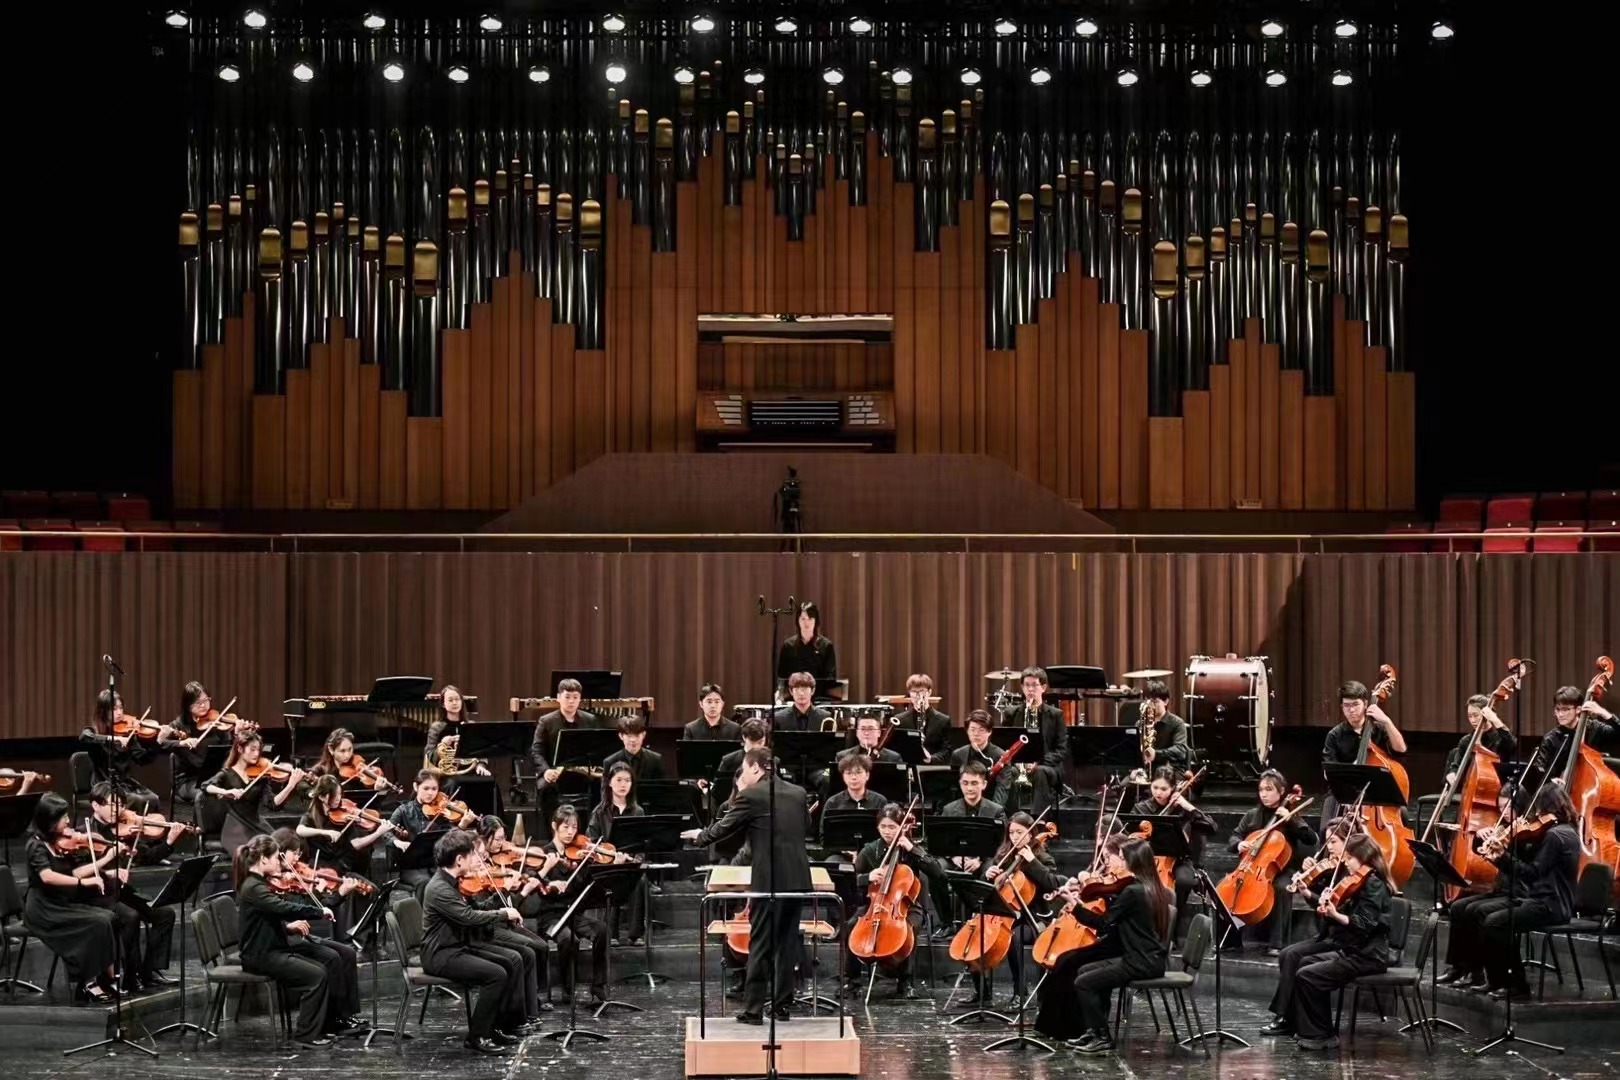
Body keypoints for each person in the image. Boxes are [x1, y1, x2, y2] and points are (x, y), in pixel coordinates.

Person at [682, 748, 813, 1025]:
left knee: (761, 942)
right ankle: (781, 1007)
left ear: (755, 767)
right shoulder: (799, 793)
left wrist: (700, 836)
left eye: (744, 767)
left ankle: (753, 1010)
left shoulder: (752, 795)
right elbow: (806, 826)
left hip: (770, 880)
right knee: (787, 942)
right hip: (798, 878)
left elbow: (725, 827)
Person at [1034, 835, 1171, 1053]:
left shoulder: (1133, 891)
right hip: (1143, 957)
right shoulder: (1143, 887)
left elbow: (1104, 924)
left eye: (1122, 858)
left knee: (1083, 982)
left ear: (1133, 861)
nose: (1119, 863)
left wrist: (1075, 905)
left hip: (1141, 961)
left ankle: (1103, 1037)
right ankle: (1093, 1031)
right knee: (1084, 970)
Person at [1441, 785, 1581, 997]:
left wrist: (1502, 857)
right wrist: (1496, 850)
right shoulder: (1564, 831)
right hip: (1545, 901)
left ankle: (1515, 984)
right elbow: (1530, 866)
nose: (1537, 815)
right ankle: (1495, 980)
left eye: (1539, 809)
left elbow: (1532, 873)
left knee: (1494, 922)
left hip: (1549, 904)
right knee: (1480, 915)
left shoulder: (1555, 836)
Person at [1274, 833, 1393, 1051]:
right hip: (1353, 950)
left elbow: (1364, 924)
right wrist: (1328, 905)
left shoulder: (1375, 884)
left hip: (1368, 956)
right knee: (1304, 964)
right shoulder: (1359, 881)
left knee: (1308, 975)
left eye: (1350, 858)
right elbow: (1346, 918)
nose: (1345, 862)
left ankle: (1323, 1035)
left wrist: (1335, 914)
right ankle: (1313, 1029)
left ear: (1363, 856)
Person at [234, 833, 354, 1048]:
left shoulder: (257, 884)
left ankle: (327, 1024)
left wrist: (289, 926)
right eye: (275, 858)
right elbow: (284, 908)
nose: (278, 863)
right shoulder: (254, 887)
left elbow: (269, 917)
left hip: (272, 948)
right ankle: (306, 1035)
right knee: (316, 975)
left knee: (325, 964)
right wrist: (319, 911)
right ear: (263, 859)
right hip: (260, 955)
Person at [420, 829, 530, 1054]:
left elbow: (477, 909)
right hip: (440, 954)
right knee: (496, 974)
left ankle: (494, 1027)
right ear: (459, 859)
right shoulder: (440, 888)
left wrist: (501, 897)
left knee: (509, 962)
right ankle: (477, 1036)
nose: (475, 859)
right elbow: (468, 918)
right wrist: (504, 914)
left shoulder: (453, 882)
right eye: (472, 855)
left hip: (457, 947)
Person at [24, 793, 127, 1002]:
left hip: (62, 902)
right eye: (63, 817)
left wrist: (104, 866)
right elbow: (47, 876)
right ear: (49, 820)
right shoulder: (36, 845)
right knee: (96, 923)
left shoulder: (57, 843)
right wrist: (83, 883)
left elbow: (74, 872)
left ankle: (109, 977)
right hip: (44, 909)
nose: (68, 821)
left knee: (109, 917)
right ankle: (89, 982)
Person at [86, 781, 184, 988]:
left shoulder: (125, 831)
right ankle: (130, 976)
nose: (118, 810)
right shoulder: (86, 833)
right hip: (98, 895)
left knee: (165, 914)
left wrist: (169, 842)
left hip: (121, 892)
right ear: (96, 805)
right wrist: (109, 869)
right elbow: (84, 870)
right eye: (112, 805)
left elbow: (148, 857)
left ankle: (150, 971)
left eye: (121, 805)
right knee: (131, 916)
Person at [842, 803, 944, 1000]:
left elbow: (938, 873)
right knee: (851, 925)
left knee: (908, 928)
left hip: (907, 906)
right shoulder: (870, 850)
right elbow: (851, 881)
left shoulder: (911, 850)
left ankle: (906, 982)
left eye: (892, 827)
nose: (887, 831)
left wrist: (913, 849)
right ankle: (851, 980)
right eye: (883, 827)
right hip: (874, 905)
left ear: (902, 827)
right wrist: (867, 877)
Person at [971, 812, 1061, 1010]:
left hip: (1034, 918)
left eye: (1020, 832)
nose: (1015, 837)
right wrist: (988, 875)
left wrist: (1032, 861)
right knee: (976, 933)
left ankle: (1020, 993)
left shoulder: (1043, 857)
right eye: (1011, 833)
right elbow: (992, 888)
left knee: (1014, 938)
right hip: (1008, 915)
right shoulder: (1005, 855)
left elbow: (1053, 883)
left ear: (1031, 833)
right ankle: (982, 992)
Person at [471, 815, 556, 1020]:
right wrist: (518, 891)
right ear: (485, 838)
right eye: (498, 839)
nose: (502, 844)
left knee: (542, 946)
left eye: (503, 838)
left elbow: (509, 904)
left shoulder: (498, 863)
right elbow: (488, 909)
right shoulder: (475, 872)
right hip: (492, 925)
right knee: (530, 949)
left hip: (506, 920)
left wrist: (515, 888)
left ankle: (534, 994)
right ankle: (528, 1002)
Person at [1226, 769, 1317, 954]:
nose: (1264, 794)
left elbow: (1311, 839)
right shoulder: (1252, 815)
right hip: (1253, 867)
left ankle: (1277, 943)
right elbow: (1235, 835)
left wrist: (1291, 819)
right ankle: (1232, 940)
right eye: (1261, 790)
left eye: (1269, 789)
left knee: (1281, 888)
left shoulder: (1289, 815)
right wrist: (1239, 844)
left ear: (1281, 791)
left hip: (1284, 869)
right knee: (1231, 888)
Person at [1128, 765, 1215, 940]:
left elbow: (1211, 827)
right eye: (1155, 787)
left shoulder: (1181, 808)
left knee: (1183, 882)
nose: (1158, 793)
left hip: (1179, 859)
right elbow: (1128, 833)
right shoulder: (1141, 809)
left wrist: (1187, 806)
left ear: (1173, 788)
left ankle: (1172, 931)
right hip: (1148, 859)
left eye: (1164, 789)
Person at [538, 806, 611, 1004]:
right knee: (569, 939)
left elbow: (581, 886)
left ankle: (598, 985)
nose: (571, 832)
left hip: (573, 913)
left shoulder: (578, 854)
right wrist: (550, 882)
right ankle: (568, 989)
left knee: (602, 930)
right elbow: (536, 882)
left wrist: (590, 864)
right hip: (551, 916)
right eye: (566, 827)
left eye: (574, 827)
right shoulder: (544, 854)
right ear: (554, 826)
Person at [1504, 687, 1620, 810]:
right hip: (1559, 798)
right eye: (1557, 709)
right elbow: (1540, 770)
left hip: (1590, 795)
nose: (1560, 714)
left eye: (1565, 709)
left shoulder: (1594, 728)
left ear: (1578, 709)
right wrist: (1552, 781)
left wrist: (1604, 714)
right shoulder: (1551, 738)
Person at [1320, 678, 1408, 828]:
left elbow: (1401, 749)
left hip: (1377, 794)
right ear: (1342, 707)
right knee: (1326, 827)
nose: (1351, 710)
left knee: (1402, 813)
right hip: (1344, 794)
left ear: (1366, 704)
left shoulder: (1379, 728)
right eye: (1346, 705)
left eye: (1355, 704)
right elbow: (1329, 772)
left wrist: (1387, 721)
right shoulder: (1335, 735)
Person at [204, 730, 307, 856]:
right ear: (240, 748)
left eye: (258, 750)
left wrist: (291, 785)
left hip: (256, 824)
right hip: (235, 827)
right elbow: (207, 786)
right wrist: (225, 791)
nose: (257, 754)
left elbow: (273, 804)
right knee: (256, 855)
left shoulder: (260, 776)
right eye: (252, 749)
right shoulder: (227, 774)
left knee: (282, 847)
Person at [529, 678, 603, 836]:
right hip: (555, 774)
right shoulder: (547, 721)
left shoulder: (590, 720)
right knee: (546, 789)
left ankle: (590, 835)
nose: (571, 701)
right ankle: (554, 837)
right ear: (558, 698)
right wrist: (546, 771)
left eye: (575, 697)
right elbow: (536, 751)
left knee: (601, 785)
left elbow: (596, 749)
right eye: (567, 697)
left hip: (582, 773)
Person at [586, 761, 649, 944]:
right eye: (619, 780)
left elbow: (642, 843)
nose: (623, 785)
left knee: (640, 880)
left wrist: (635, 860)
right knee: (612, 878)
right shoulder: (599, 812)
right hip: (607, 865)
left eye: (627, 780)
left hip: (629, 863)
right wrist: (610, 859)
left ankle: (635, 934)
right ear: (610, 782)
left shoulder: (638, 811)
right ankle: (610, 933)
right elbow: (591, 844)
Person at [1003, 666, 1069, 818]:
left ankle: (1037, 821)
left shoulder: (1055, 715)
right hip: (1018, 764)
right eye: (1027, 685)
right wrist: (1016, 762)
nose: (1030, 689)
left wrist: (1038, 762)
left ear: (1043, 687)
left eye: (1034, 685)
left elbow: (1061, 750)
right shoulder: (1011, 713)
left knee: (1040, 772)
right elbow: (1005, 744)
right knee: (1008, 773)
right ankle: (1011, 820)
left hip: (1047, 766)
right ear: (1022, 687)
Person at [81, 689, 162, 810]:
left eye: (121, 708)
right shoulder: (95, 733)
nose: (119, 712)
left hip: (125, 784)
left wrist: (158, 742)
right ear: (103, 712)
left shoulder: (127, 733)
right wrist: (113, 739)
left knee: (153, 799)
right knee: (137, 801)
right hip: (105, 786)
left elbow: (142, 759)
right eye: (114, 709)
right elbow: (84, 737)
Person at [388, 768, 458, 894]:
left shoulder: (441, 813)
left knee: (453, 878)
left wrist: (461, 825)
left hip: (436, 864)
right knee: (425, 882)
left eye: (434, 789)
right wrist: (397, 842)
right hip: (411, 867)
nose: (430, 793)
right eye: (426, 788)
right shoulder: (404, 810)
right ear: (416, 787)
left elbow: (451, 836)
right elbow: (386, 831)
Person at [161, 681, 232, 805]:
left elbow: (228, 750)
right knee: (208, 795)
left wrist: (235, 733)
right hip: (188, 781)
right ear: (188, 705)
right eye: (198, 702)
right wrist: (182, 743)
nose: (203, 705)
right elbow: (162, 743)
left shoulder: (216, 724)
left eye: (206, 700)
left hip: (214, 777)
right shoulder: (179, 725)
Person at [819, 752, 885, 845]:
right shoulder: (832, 802)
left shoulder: (880, 801)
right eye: (848, 773)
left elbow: (885, 834)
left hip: (871, 851)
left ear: (867, 775)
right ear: (843, 776)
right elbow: (823, 835)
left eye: (858, 772)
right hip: (840, 850)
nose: (853, 777)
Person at [949, 710, 1013, 804]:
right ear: (967, 731)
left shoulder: (1000, 756)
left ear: (989, 732)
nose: (976, 734)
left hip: (991, 804)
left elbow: (1002, 788)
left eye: (981, 730)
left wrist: (993, 809)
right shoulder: (958, 755)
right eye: (972, 729)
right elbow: (953, 787)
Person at [312, 727, 399, 794]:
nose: (348, 755)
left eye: (350, 749)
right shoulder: (321, 770)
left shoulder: (358, 765)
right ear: (331, 750)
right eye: (342, 751)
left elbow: (373, 803)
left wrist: (377, 791)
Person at [776, 600, 836, 691]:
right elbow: (782, 677)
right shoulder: (788, 646)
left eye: (810, 619)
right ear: (798, 621)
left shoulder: (826, 646)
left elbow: (830, 679)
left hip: (819, 696)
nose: (806, 623)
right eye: (803, 619)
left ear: (816, 621)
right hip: (793, 695)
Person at [892, 673, 952, 763]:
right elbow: (894, 749)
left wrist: (931, 758)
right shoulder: (900, 720)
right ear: (909, 693)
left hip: (932, 768)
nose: (918, 696)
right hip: (908, 766)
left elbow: (947, 751)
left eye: (922, 691)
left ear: (929, 692)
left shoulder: (943, 720)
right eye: (914, 692)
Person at [602, 714, 667, 795]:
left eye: (637, 735)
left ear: (643, 735)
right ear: (621, 736)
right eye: (629, 736)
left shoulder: (656, 759)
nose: (633, 740)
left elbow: (662, 792)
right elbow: (606, 794)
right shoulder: (610, 762)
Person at [1138, 680, 1193, 770]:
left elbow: (1180, 751)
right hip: (1145, 769)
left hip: (1170, 769)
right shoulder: (1140, 723)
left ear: (1166, 701)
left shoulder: (1177, 723)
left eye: (1155, 701)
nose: (1150, 705)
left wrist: (1156, 754)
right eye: (1147, 701)